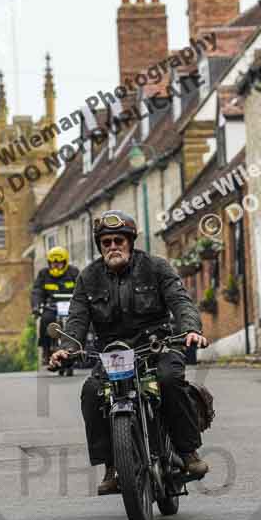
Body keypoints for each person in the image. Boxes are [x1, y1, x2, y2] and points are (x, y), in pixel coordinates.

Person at [49, 210, 209, 495]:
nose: (113, 246)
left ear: (130, 242)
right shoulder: (89, 278)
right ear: (100, 246)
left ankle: (187, 452)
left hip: (156, 346)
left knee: (170, 380)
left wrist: (191, 329)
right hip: (112, 354)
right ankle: (111, 466)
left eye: (119, 240)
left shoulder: (156, 267)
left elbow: (180, 300)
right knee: (91, 392)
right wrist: (67, 348)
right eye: (107, 242)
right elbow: (76, 319)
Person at [31, 247, 79, 366]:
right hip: (52, 306)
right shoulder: (43, 274)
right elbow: (37, 291)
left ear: (65, 262)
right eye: (53, 263)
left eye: (59, 263)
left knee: (79, 323)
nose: (56, 265)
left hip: (71, 306)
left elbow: (81, 289)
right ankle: (46, 350)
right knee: (45, 320)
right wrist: (36, 306)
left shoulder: (74, 272)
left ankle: (79, 348)